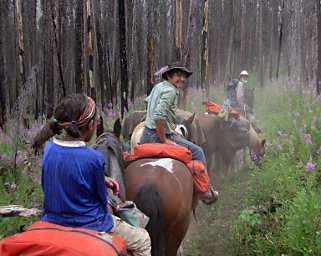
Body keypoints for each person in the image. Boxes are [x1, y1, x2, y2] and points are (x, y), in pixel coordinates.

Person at [35, 94, 151, 256]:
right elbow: (102, 200)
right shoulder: (93, 158)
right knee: (143, 240)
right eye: (96, 121)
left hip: (52, 219)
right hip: (91, 223)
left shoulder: (48, 150)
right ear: (90, 125)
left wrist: (102, 178)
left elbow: (56, 178)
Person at [140, 63, 218, 204]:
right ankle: (205, 190)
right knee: (198, 151)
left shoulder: (158, 87)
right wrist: (164, 139)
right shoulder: (171, 91)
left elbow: (149, 104)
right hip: (158, 135)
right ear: (169, 76)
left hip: (145, 135)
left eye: (184, 76)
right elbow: (159, 116)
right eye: (178, 75)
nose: (182, 79)